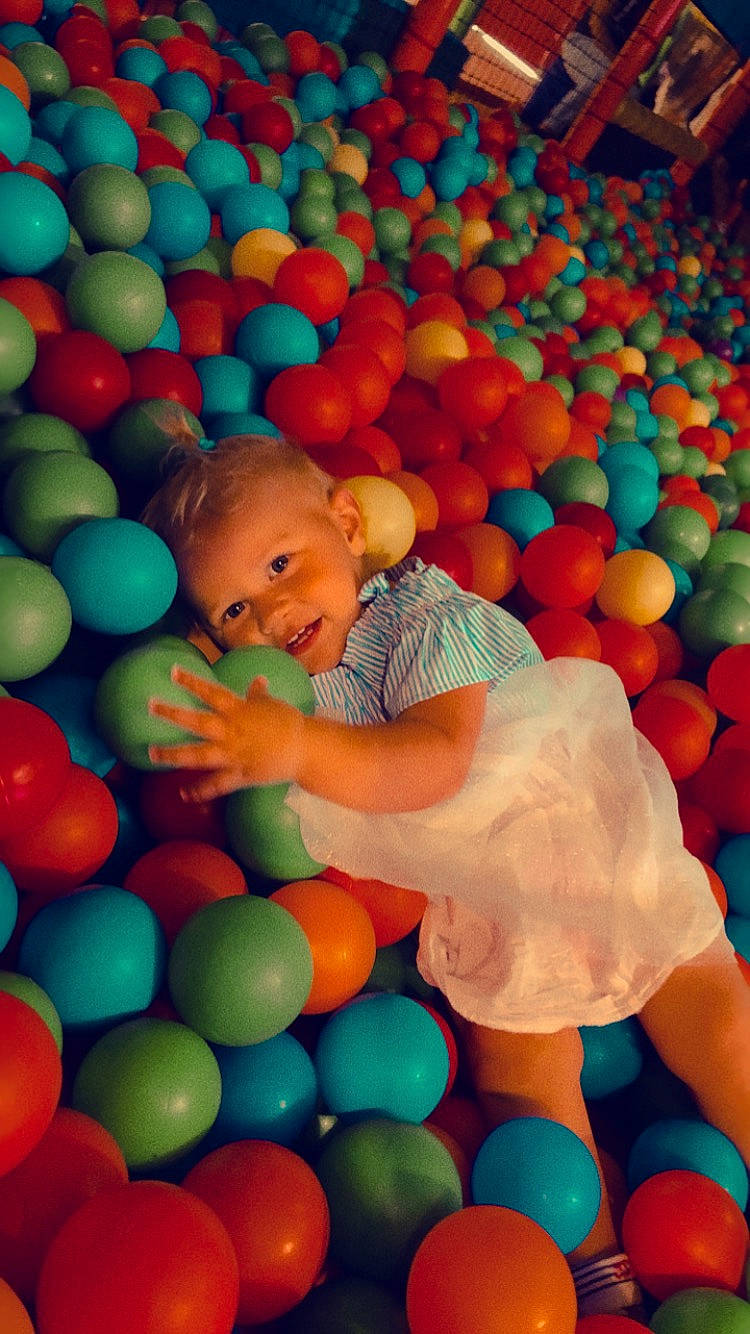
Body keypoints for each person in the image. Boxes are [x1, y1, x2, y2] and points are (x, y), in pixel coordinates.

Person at [143, 430, 750, 1321]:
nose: (270, 615)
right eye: (233, 612)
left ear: (349, 524)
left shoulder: (423, 617)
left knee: (715, 1018)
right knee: (520, 1075)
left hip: (585, 841)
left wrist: (298, 748)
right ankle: (597, 1271)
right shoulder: (295, 684)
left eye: (280, 565)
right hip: (493, 896)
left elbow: (433, 765)